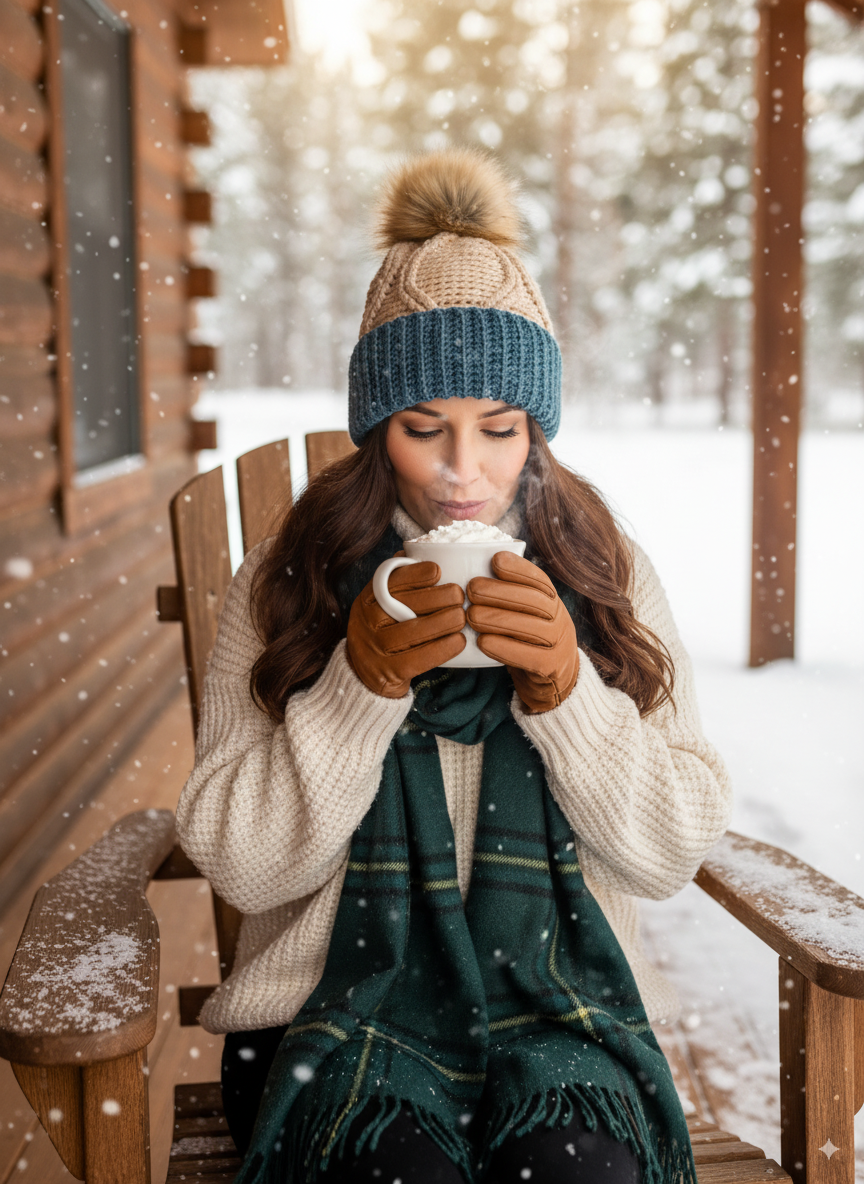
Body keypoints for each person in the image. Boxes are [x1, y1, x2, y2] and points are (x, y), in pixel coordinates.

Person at [176, 148, 732, 1184]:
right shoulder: (290, 578)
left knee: (580, 1171)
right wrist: (357, 691)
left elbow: (667, 851)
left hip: (561, 1019)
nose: (462, 471)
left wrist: (568, 696)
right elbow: (244, 865)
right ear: (376, 428)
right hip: (327, 1021)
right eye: (423, 427)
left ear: (537, 431)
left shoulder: (603, 572)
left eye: (500, 429)